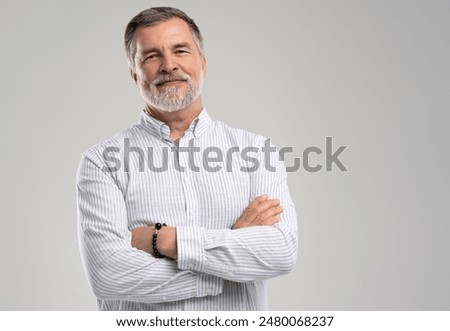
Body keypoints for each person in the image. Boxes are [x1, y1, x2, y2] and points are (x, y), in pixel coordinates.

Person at [76, 7, 298, 311]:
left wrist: (164, 240)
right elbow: (109, 274)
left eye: (180, 50)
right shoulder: (103, 162)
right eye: (151, 56)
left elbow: (281, 252)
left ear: (203, 64)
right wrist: (226, 265)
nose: (169, 65)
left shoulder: (257, 151)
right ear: (134, 74)